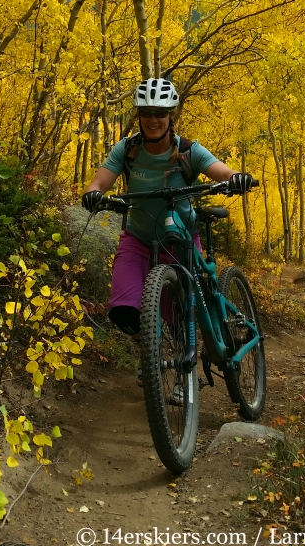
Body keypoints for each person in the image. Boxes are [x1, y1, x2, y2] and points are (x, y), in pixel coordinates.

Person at [82, 78, 255, 389]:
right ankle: (152, 353)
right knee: (122, 311)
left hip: (180, 242)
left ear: (171, 115)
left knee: (179, 312)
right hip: (138, 239)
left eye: (160, 113)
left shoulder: (188, 151)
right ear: (138, 116)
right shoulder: (128, 150)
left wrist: (236, 178)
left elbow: (222, 171)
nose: (153, 119)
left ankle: (183, 370)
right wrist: (94, 194)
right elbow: (99, 183)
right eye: (146, 112)